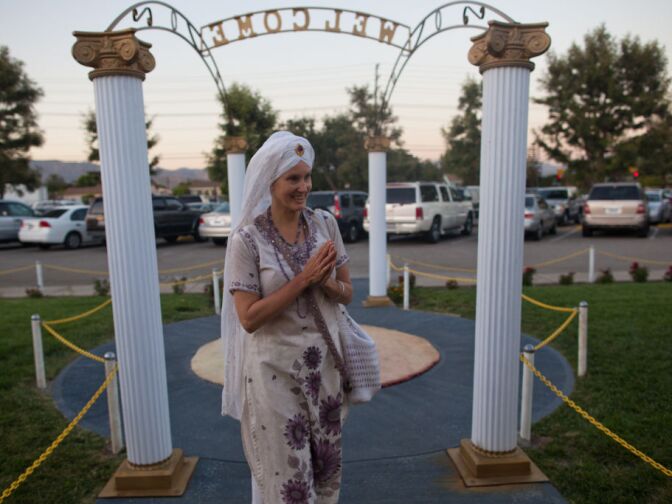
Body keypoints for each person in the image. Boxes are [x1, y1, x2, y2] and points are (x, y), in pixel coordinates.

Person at [221, 131, 353, 503]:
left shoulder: (325, 225)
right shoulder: (246, 241)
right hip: (274, 375)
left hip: (323, 372)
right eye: (293, 179)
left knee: (327, 477)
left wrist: (326, 284)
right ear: (270, 182)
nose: (303, 186)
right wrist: (304, 279)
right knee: (290, 483)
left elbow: (347, 292)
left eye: (306, 176)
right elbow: (248, 318)